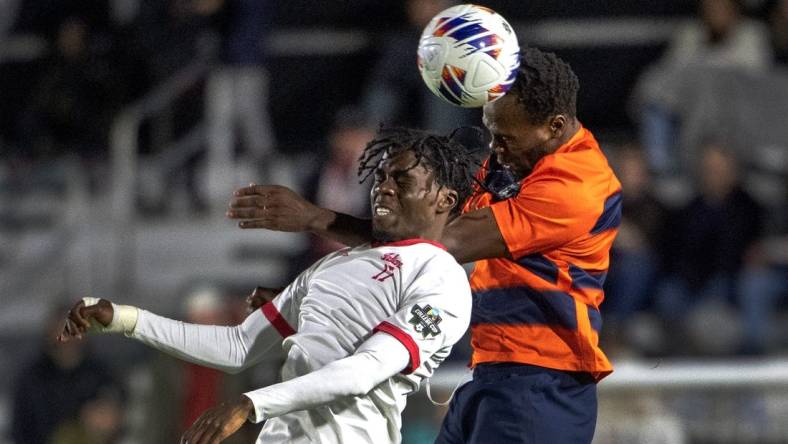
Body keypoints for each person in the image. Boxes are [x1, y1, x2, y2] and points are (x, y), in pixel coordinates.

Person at [227, 47, 621, 443]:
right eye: (491, 133)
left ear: (554, 126)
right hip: (496, 375)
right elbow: (419, 236)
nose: (495, 150)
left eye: (505, 139)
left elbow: (433, 240)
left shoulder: (577, 186)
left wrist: (316, 219)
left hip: (542, 388)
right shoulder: (523, 156)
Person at [59, 127, 476, 443]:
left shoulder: (441, 277)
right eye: (381, 176)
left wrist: (250, 403)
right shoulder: (332, 265)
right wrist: (126, 319)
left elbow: (363, 371)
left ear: (444, 200)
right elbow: (238, 346)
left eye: (401, 181)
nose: (382, 187)